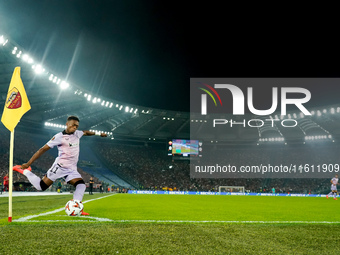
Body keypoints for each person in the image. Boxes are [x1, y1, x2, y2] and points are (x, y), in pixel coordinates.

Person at [13, 116, 107, 215]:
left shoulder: (77, 134)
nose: (75, 127)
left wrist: (99, 134)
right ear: (67, 124)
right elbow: (42, 149)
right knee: (41, 187)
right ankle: (25, 171)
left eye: (77, 126)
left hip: (72, 169)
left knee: (81, 185)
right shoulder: (59, 137)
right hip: (59, 167)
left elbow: (86, 132)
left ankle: (76, 207)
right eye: (73, 125)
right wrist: (28, 163)